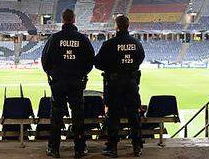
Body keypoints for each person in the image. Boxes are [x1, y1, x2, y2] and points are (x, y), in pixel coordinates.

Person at [42, 9, 95, 158]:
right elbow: (90, 60)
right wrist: (81, 74)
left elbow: (45, 60)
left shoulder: (54, 38)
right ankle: (80, 149)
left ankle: (54, 149)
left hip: (58, 82)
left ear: (63, 19)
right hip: (76, 82)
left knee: (56, 116)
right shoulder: (82, 39)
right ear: (74, 19)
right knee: (78, 115)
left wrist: (53, 74)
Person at [94, 15, 145, 158]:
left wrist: (112, 67)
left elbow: (97, 63)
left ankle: (112, 148)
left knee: (113, 116)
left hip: (114, 83)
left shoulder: (110, 44)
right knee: (134, 115)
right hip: (131, 83)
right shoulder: (136, 43)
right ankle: (137, 147)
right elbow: (140, 58)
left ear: (116, 26)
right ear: (128, 26)